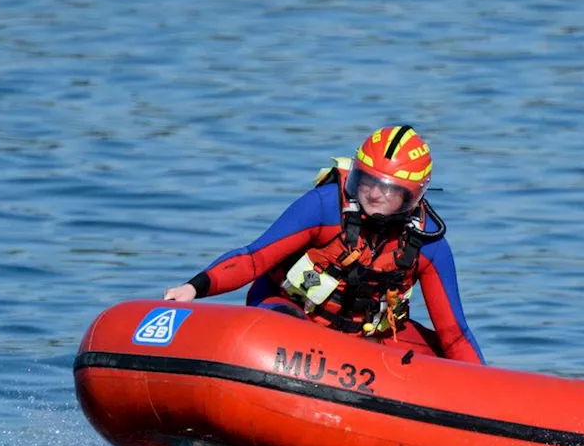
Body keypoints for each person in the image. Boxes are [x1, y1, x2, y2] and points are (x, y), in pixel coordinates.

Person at [164, 125, 485, 364]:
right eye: (367, 181)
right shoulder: (324, 206)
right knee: (283, 327)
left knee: (440, 357)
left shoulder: (429, 245)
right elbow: (252, 259)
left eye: (387, 189)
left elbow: (454, 334)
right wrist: (194, 288)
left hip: (364, 340)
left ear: (411, 197)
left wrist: (486, 392)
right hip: (287, 313)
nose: (373, 194)